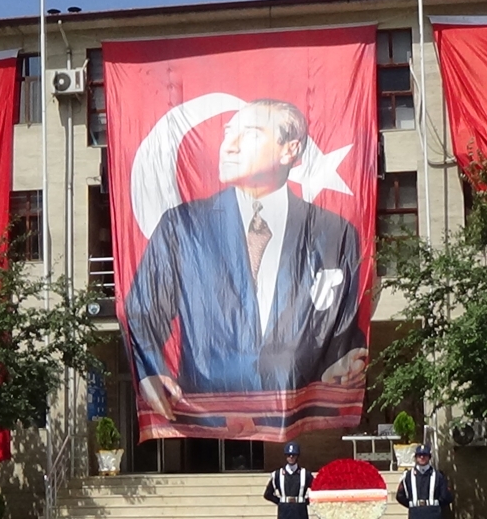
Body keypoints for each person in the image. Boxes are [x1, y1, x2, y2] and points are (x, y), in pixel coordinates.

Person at [126, 98, 367, 421]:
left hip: (297, 415)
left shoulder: (333, 233)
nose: (229, 146)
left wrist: (342, 360)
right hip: (206, 418)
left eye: (250, 134)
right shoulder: (182, 227)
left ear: (289, 149)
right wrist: (149, 368)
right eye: (228, 133)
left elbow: (341, 322)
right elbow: (143, 309)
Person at [396, 445, 453, 519]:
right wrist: (413, 505)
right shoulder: (408, 476)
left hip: (434, 514)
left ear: (429, 457)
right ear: (415, 457)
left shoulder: (438, 476)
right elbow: (400, 496)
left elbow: (446, 497)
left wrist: (435, 506)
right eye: (419, 455)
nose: (422, 457)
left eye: (425, 455)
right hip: (415, 514)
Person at [263, 442, 314, 519]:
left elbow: (316, 491)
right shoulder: (277, 474)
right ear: (285, 456)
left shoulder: (305, 474)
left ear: (297, 456)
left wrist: (306, 501)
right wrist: (280, 502)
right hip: (284, 511)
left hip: (300, 510)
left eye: (294, 455)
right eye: (288, 455)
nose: (291, 457)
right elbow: (267, 494)